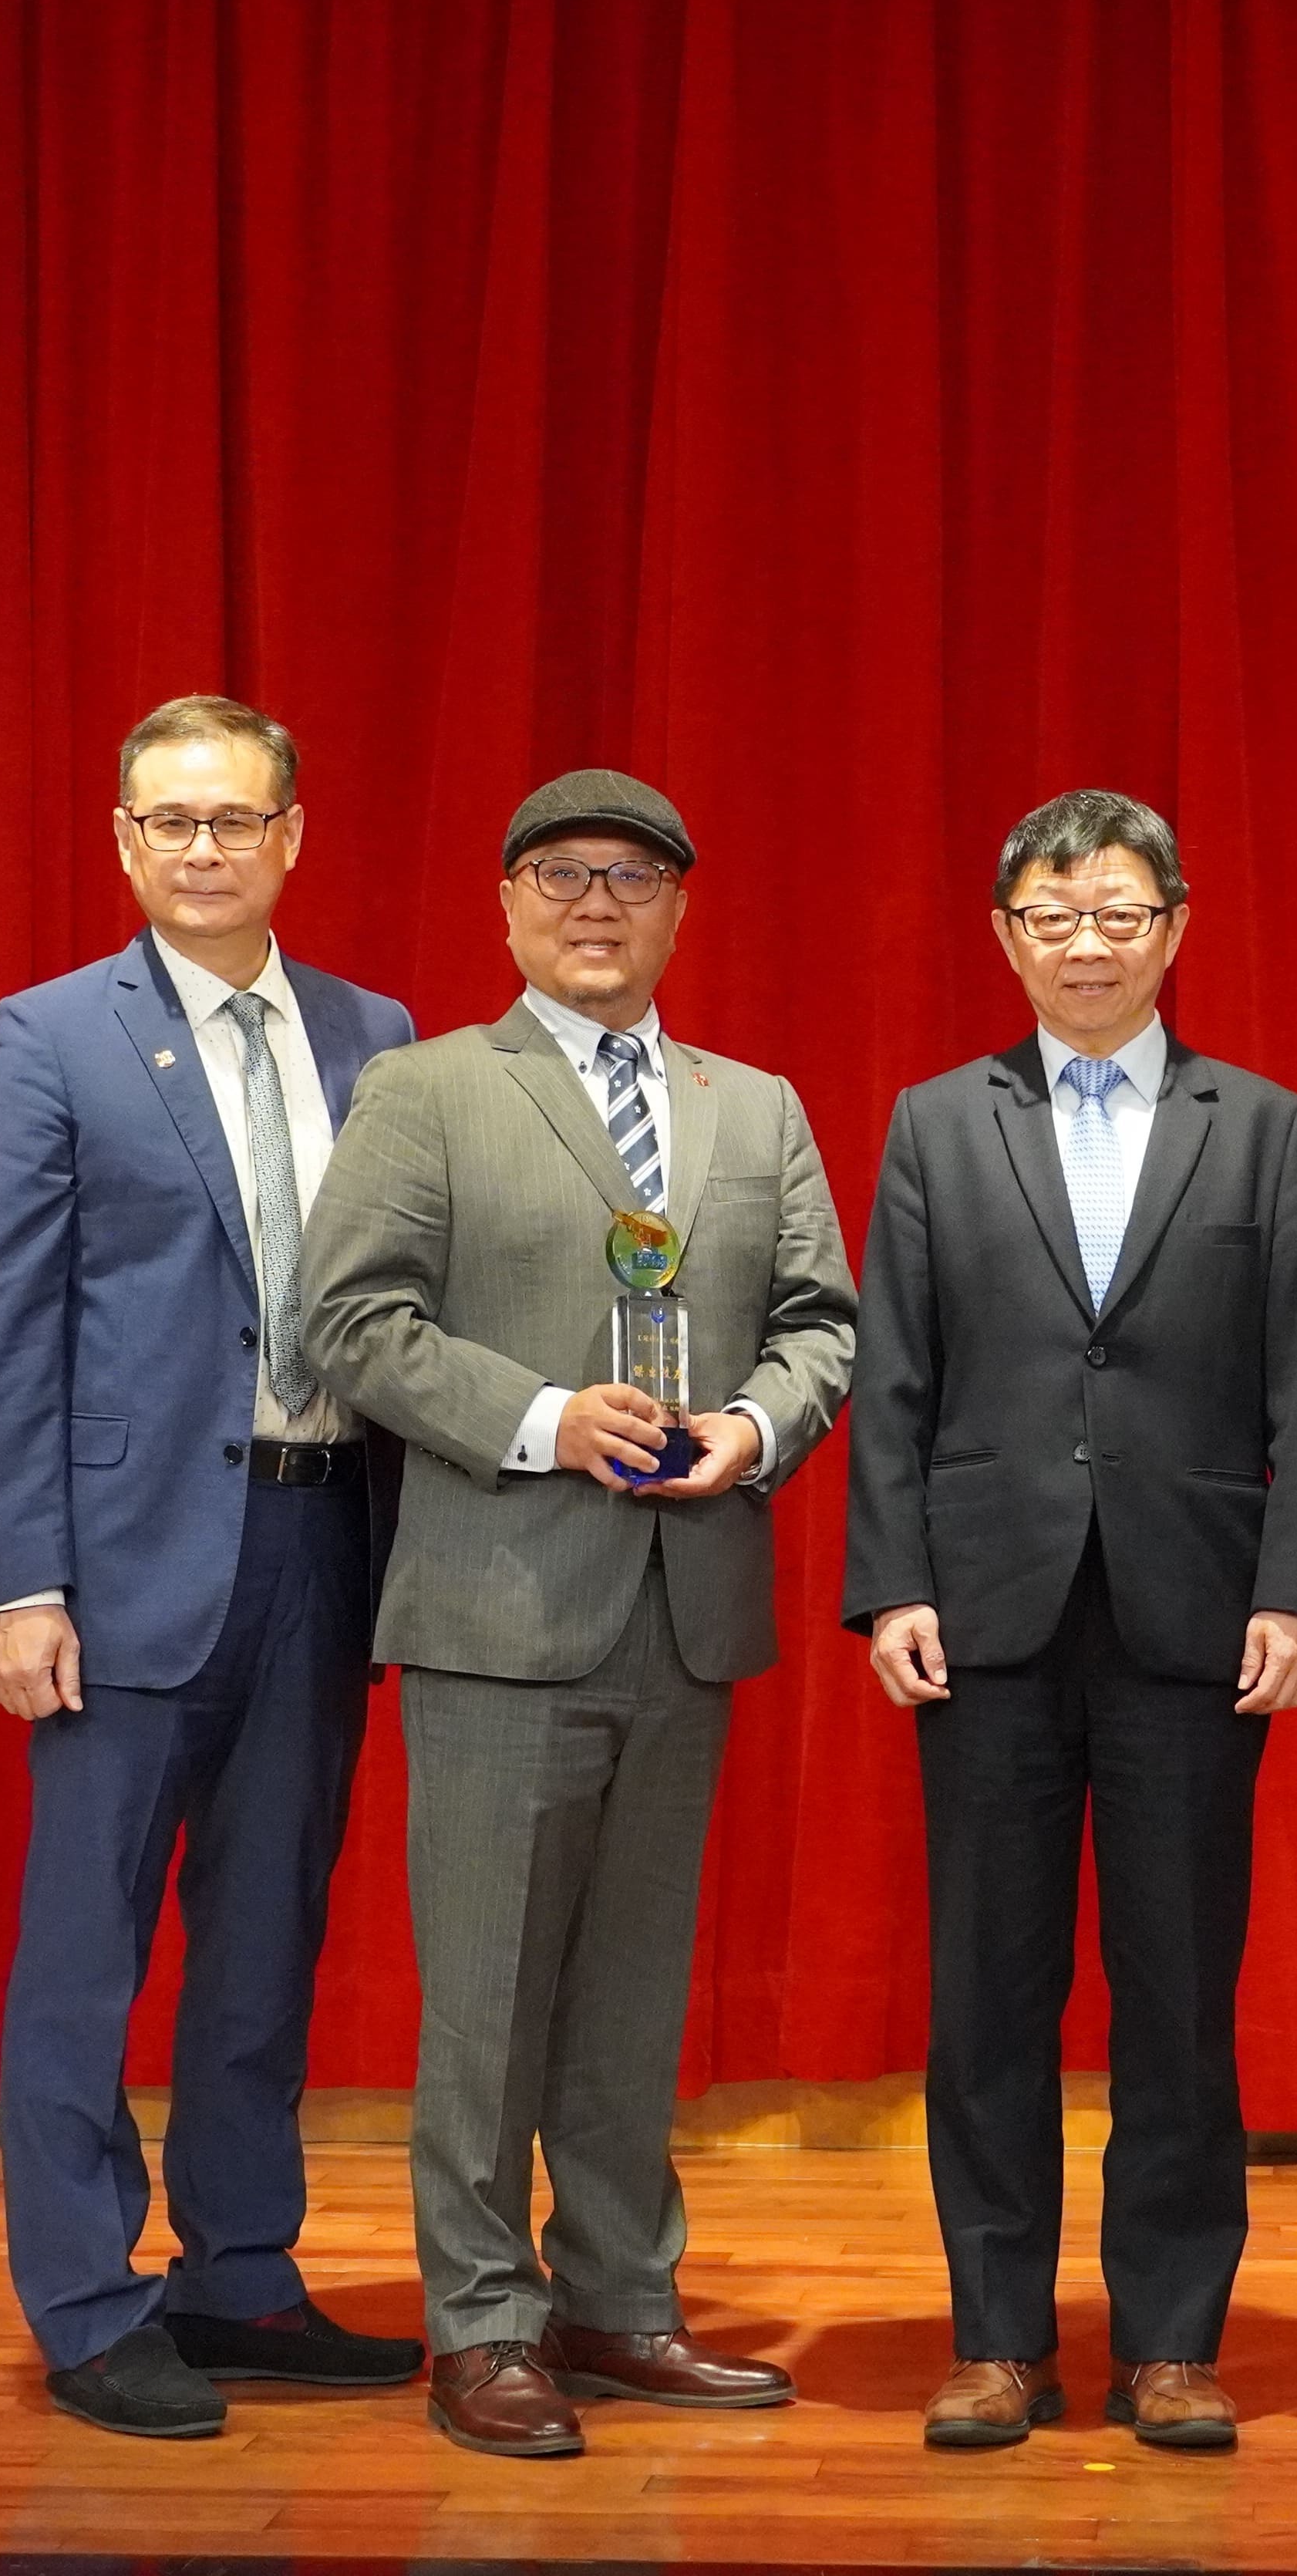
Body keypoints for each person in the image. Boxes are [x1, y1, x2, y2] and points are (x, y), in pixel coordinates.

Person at [295, 769, 857, 2461]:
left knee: (630, 1991)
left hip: (688, 1606)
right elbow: (349, 1318)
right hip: (499, 1602)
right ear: (509, 904)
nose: (596, 900)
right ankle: (482, 2317)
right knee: (486, 1991)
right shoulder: (427, 1089)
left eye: (632, 874)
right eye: (560, 872)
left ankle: (618, 2295)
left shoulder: (755, 1108)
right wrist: (547, 1417)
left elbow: (824, 1322)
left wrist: (756, 1428)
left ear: (682, 904)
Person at [844, 788, 1297, 2460]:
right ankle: (995, 2334)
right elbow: (895, 1377)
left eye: (1119, 912)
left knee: (1179, 1988)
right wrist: (893, 1580)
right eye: (1053, 914)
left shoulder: (1263, 1123)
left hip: (1194, 1614)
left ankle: (1171, 2340)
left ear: (1176, 928)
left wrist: (1296, 1587)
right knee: (988, 1991)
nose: (1085, 941)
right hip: (984, 1610)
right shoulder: (937, 1120)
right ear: (1005, 935)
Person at [0, 693, 426, 2439]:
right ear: (125, 843)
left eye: (234, 820)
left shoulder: (378, 1033)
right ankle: (87, 2300)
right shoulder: (52, 1035)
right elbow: (0, 1326)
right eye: (169, 823)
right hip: (122, 1565)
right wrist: (22, 1581)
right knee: (87, 1948)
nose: (202, 850)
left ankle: (238, 2273)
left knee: (266, 1938)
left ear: (293, 834)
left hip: (326, 1539)